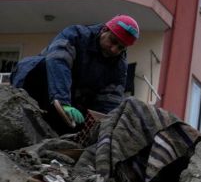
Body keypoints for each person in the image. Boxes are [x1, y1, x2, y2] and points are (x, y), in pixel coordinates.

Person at [11, 14, 140, 131]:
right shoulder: (75, 35)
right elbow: (58, 62)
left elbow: (110, 100)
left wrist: (101, 127)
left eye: (121, 47)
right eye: (113, 41)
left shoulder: (118, 67)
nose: (114, 49)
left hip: (74, 102)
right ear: (104, 30)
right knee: (44, 65)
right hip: (41, 86)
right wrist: (62, 101)